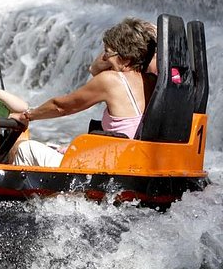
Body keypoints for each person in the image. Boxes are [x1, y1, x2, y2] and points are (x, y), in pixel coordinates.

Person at [12, 18, 157, 167]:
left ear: (126, 60)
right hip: (134, 162)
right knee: (58, 148)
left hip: (113, 167)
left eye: (107, 53)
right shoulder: (153, 80)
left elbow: (61, 107)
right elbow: (94, 69)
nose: (104, 57)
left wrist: (27, 116)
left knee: (26, 149)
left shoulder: (111, 80)